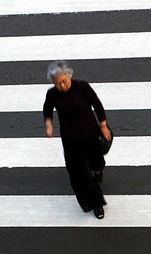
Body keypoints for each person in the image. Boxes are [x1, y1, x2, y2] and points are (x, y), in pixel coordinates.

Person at [43, 61, 111, 219]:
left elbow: (97, 104)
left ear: (69, 75)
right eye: (57, 83)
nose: (62, 86)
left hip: (90, 133)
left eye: (64, 81)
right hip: (71, 139)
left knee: (96, 162)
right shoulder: (52, 94)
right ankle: (96, 204)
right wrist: (49, 125)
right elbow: (47, 109)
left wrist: (103, 125)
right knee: (80, 173)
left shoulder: (82, 87)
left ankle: (98, 170)